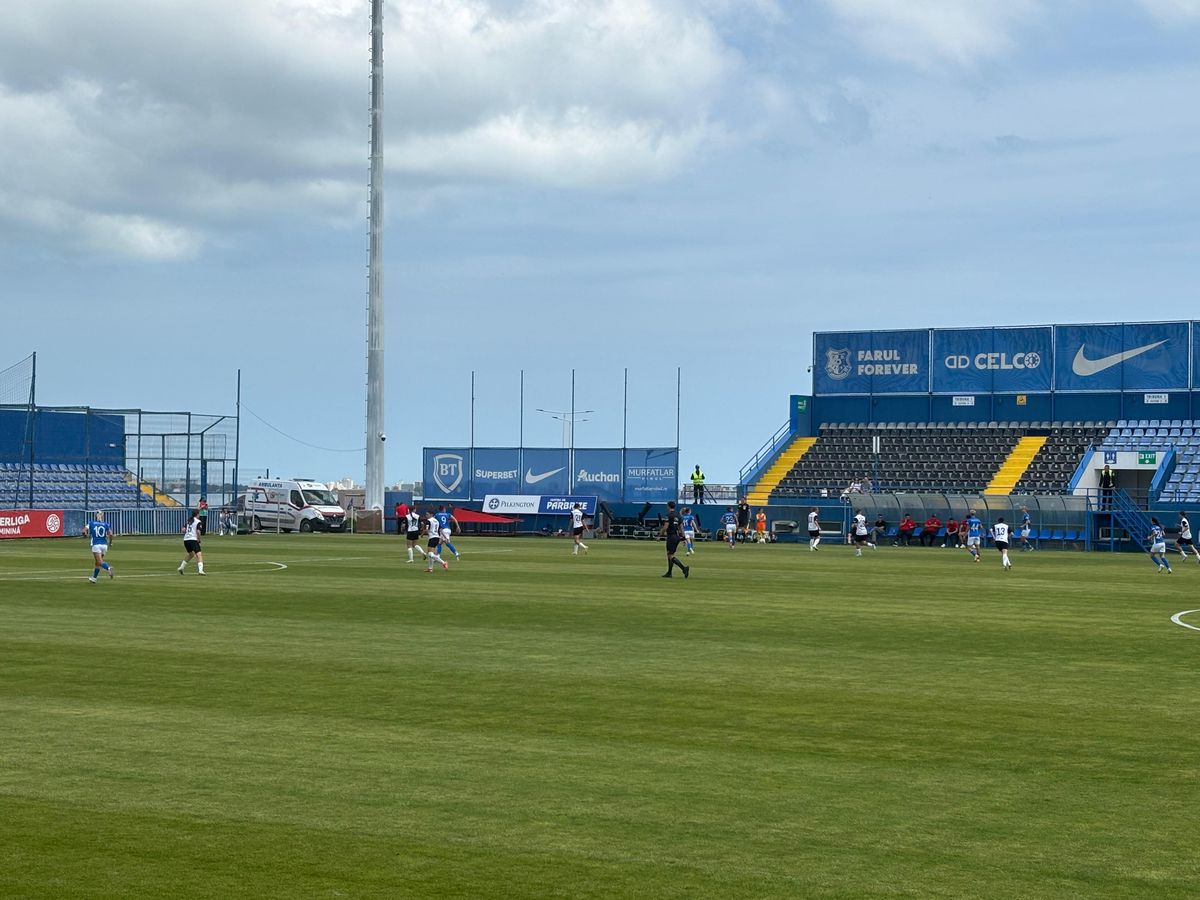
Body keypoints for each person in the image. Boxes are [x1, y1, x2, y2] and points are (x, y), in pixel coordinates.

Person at [658, 500, 690, 578]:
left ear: (668, 506)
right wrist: (683, 538)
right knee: (670, 554)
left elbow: (665, 527)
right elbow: (681, 527)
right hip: (676, 537)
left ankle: (684, 568)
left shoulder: (669, 515)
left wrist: (659, 535)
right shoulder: (678, 516)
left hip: (671, 537)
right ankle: (669, 573)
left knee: (670, 555)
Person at [82, 510, 115, 583]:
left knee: (99, 562)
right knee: (97, 562)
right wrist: (110, 543)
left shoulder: (91, 523)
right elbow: (111, 534)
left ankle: (108, 568)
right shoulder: (105, 524)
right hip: (104, 545)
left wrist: (85, 535)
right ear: (102, 516)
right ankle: (94, 578)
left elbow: (83, 531)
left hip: (96, 545)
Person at [178, 509, 206, 575]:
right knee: (199, 554)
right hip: (193, 539)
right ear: (197, 514)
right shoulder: (198, 521)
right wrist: (199, 539)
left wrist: (188, 532)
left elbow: (183, 530)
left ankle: (181, 567)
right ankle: (200, 570)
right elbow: (198, 532)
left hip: (186, 540)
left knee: (191, 554)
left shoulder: (189, 521)